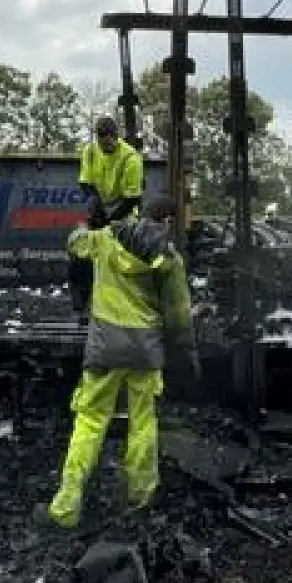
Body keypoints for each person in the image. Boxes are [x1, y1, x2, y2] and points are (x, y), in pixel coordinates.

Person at [45, 195, 195, 529]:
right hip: (145, 352)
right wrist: (186, 348)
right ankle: (139, 496)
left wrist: (84, 225)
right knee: (143, 422)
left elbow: (75, 243)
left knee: (89, 422)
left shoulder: (106, 239)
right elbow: (179, 313)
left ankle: (68, 502)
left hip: (104, 350)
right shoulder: (169, 257)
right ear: (166, 222)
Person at [70, 116, 145, 316]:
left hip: (124, 214)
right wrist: (95, 206)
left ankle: (124, 307)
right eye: (102, 144)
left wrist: (110, 220)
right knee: (80, 253)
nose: (105, 149)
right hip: (99, 210)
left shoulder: (131, 158)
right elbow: (85, 184)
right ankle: (82, 305)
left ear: (116, 137)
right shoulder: (90, 151)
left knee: (118, 259)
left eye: (108, 145)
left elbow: (132, 199)